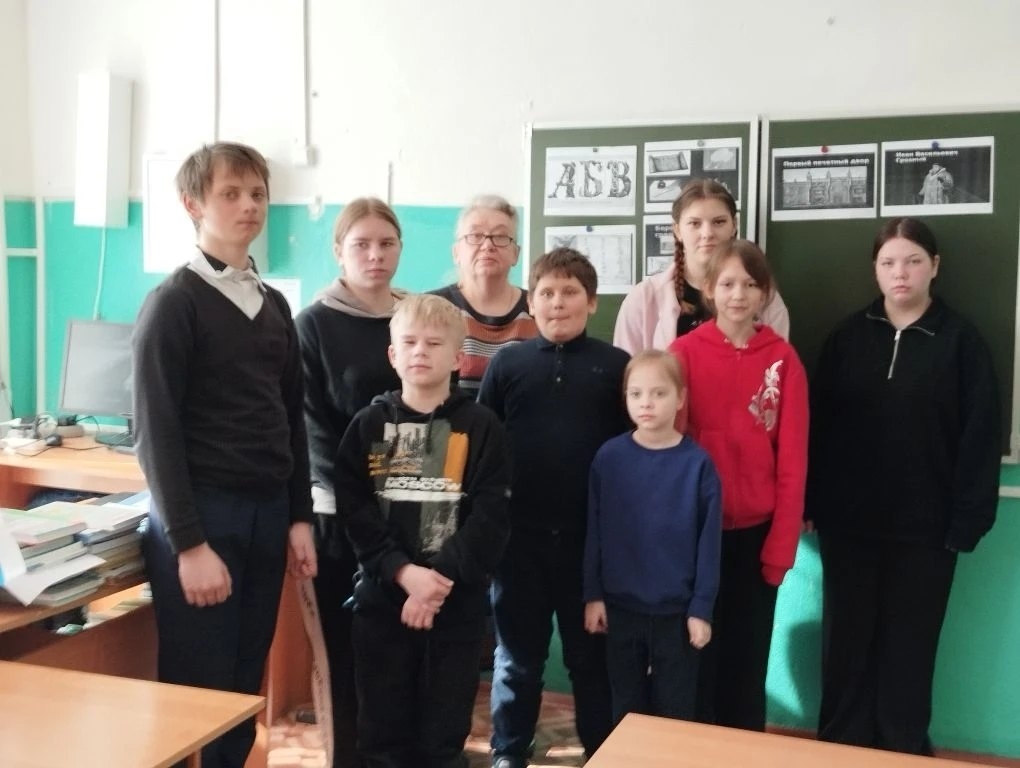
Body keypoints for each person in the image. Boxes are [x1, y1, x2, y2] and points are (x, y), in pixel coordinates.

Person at [133, 142, 317, 768]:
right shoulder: (174, 302)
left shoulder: (273, 304)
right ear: (193, 205)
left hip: (267, 513)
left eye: (257, 194)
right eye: (230, 194)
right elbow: (154, 433)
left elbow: (291, 420)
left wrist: (299, 517)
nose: (248, 206)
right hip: (203, 519)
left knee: (242, 687)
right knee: (197, 690)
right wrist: (188, 544)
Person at [807, 217, 1000, 755]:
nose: (901, 273)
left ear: (934, 267)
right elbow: (817, 428)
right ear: (875, 268)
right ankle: (840, 749)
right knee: (845, 648)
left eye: (913, 261)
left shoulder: (961, 342)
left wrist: (968, 520)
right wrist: (812, 502)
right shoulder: (846, 338)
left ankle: (902, 750)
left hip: (927, 531)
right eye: (889, 262)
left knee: (909, 651)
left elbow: (981, 435)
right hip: (850, 527)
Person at [335, 294, 510, 768]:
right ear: (393, 355)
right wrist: (402, 572)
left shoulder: (482, 427)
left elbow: (491, 516)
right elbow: (355, 510)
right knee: (381, 737)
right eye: (410, 342)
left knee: (442, 737)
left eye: (434, 343)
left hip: (456, 607)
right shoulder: (368, 425)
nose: (420, 352)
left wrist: (435, 583)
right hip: (382, 603)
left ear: (457, 358)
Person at [479, 248, 630, 768]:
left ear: (592, 302)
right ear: (531, 303)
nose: (557, 302)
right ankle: (508, 751)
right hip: (518, 541)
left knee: (590, 660)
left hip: (588, 545)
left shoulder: (615, 366)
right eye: (546, 292)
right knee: (517, 659)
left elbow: (631, 449)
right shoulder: (508, 363)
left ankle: (601, 752)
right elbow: (483, 445)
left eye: (570, 292)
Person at [667, 240, 808, 732]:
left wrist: (780, 551)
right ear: (709, 289)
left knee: (746, 668)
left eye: (750, 284)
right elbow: (668, 453)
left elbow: (792, 463)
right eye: (727, 283)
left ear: (765, 292)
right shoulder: (683, 354)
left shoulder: (783, 361)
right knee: (696, 663)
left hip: (755, 537)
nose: (738, 294)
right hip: (695, 537)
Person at [295, 197, 408, 768]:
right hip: (338, 515)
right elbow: (311, 425)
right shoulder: (314, 324)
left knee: (404, 654)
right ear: (339, 251)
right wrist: (360, 500)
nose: (375, 255)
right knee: (344, 655)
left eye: (386, 244)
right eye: (361, 244)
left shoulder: (415, 315)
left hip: (409, 513)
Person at [583, 350, 722, 724]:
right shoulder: (609, 458)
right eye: (636, 393)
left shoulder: (698, 465)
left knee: (675, 711)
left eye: (659, 393)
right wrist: (593, 595)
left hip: (677, 615)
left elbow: (709, 545)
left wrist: (701, 609)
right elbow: (594, 532)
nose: (646, 403)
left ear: (680, 398)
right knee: (625, 709)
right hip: (620, 610)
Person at [614, 178, 789, 354]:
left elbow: (776, 365)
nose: (707, 233)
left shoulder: (766, 299)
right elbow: (627, 368)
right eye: (694, 223)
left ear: (734, 226)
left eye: (719, 222)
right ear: (677, 230)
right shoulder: (643, 299)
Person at [431, 195, 538, 394]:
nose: (488, 245)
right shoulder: (432, 308)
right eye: (475, 235)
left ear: (516, 253)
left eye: (501, 236)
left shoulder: (538, 309)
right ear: (456, 252)